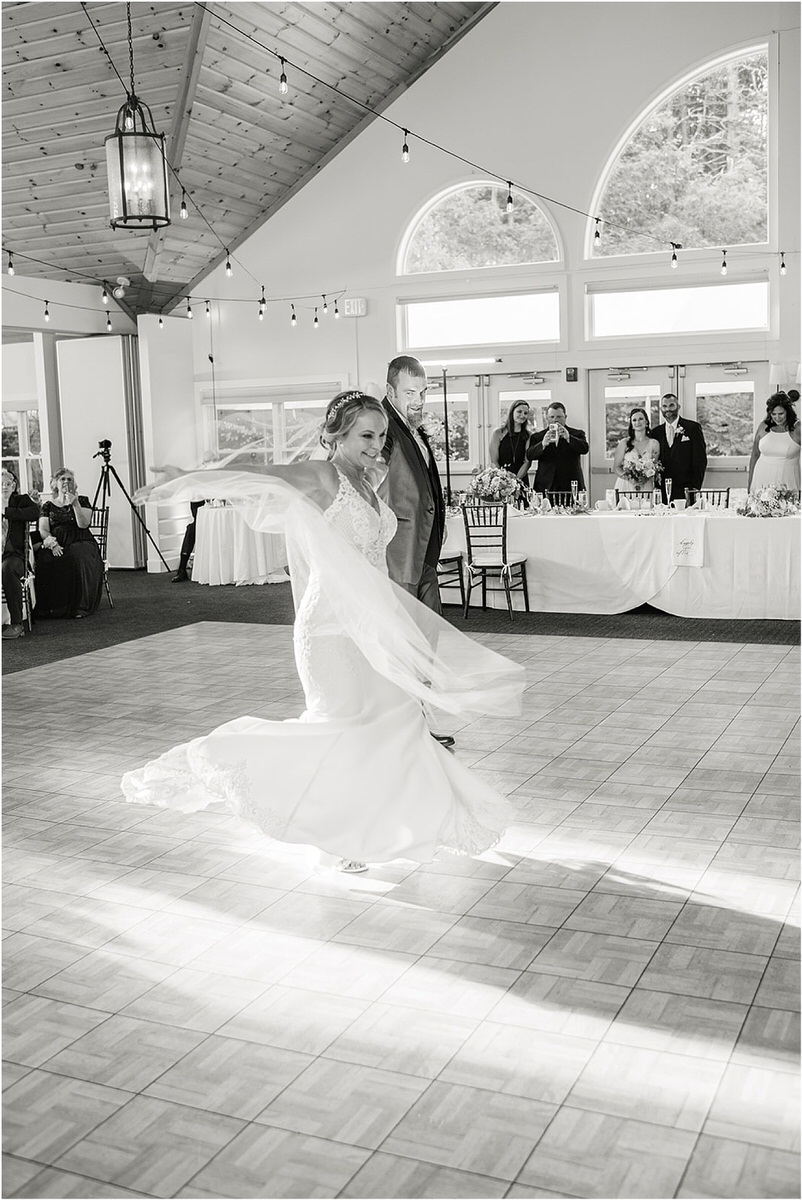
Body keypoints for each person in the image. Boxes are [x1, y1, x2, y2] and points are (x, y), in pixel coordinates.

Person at [121, 392, 524, 874]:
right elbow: (261, 475)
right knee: (342, 731)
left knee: (399, 723)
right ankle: (236, 765)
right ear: (336, 436)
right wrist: (182, 479)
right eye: (366, 436)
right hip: (330, 631)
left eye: (381, 436)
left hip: (370, 625)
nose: (378, 446)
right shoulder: (323, 476)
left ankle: (390, 826)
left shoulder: (369, 481)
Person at [378, 356, 456, 748]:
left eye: (423, 392)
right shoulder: (382, 427)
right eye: (410, 393)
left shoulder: (414, 428)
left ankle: (420, 719)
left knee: (427, 639)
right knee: (403, 642)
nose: (419, 400)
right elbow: (369, 478)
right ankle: (402, 726)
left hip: (424, 552)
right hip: (400, 553)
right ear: (390, 390)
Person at [35, 468, 103, 619]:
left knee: (78, 555)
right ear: (55, 484)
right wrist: (52, 543)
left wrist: (75, 504)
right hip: (58, 542)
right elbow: (43, 529)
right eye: (62, 479)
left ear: (74, 483)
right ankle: (53, 607)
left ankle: (80, 606)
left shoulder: (83, 500)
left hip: (81, 540)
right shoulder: (48, 505)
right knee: (44, 558)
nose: (66, 482)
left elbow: (84, 524)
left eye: (69, 479)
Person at [2, 468, 40, 640]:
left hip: (14, 556)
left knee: (7, 569)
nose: (3, 487)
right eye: (1, 484)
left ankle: (17, 623)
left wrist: (7, 512)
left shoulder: (20, 500)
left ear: (14, 485)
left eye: (7, 483)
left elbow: (34, 513)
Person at [652, 393, 707, 504]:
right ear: (660, 409)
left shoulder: (693, 428)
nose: (668, 409)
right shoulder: (655, 433)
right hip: (662, 491)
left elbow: (700, 460)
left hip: (686, 489)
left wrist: (694, 488)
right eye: (664, 406)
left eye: (671, 405)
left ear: (678, 406)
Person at [523, 402, 589, 494]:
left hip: (570, 485)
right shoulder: (537, 436)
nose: (555, 420)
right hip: (545, 485)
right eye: (552, 417)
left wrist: (569, 438)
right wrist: (542, 444)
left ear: (565, 417)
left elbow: (585, 449)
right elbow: (529, 455)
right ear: (547, 418)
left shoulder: (577, 434)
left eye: (559, 417)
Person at [748, 392, 801, 492]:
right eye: (773, 414)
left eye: (781, 413)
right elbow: (755, 455)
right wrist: (750, 482)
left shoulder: (798, 428)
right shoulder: (763, 426)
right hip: (761, 478)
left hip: (788, 481)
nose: (777, 418)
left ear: (788, 412)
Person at [612, 407, 662, 494]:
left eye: (641, 419)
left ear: (646, 422)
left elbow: (655, 467)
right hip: (626, 485)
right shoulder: (624, 443)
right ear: (631, 424)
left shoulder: (654, 444)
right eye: (634, 420)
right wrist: (631, 479)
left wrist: (645, 477)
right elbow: (616, 468)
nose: (637, 422)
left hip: (646, 485)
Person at [490, 401, 532, 481]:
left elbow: (527, 462)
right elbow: (494, 461)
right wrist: (503, 479)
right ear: (512, 412)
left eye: (525, 413)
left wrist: (515, 481)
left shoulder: (529, 435)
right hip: (501, 480)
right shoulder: (498, 433)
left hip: (521, 478)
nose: (522, 415)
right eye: (519, 411)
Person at [172, 500, 206, 582]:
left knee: (192, 529)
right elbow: (195, 514)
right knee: (191, 529)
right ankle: (182, 569)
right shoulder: (196, 493)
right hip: (202, 508)